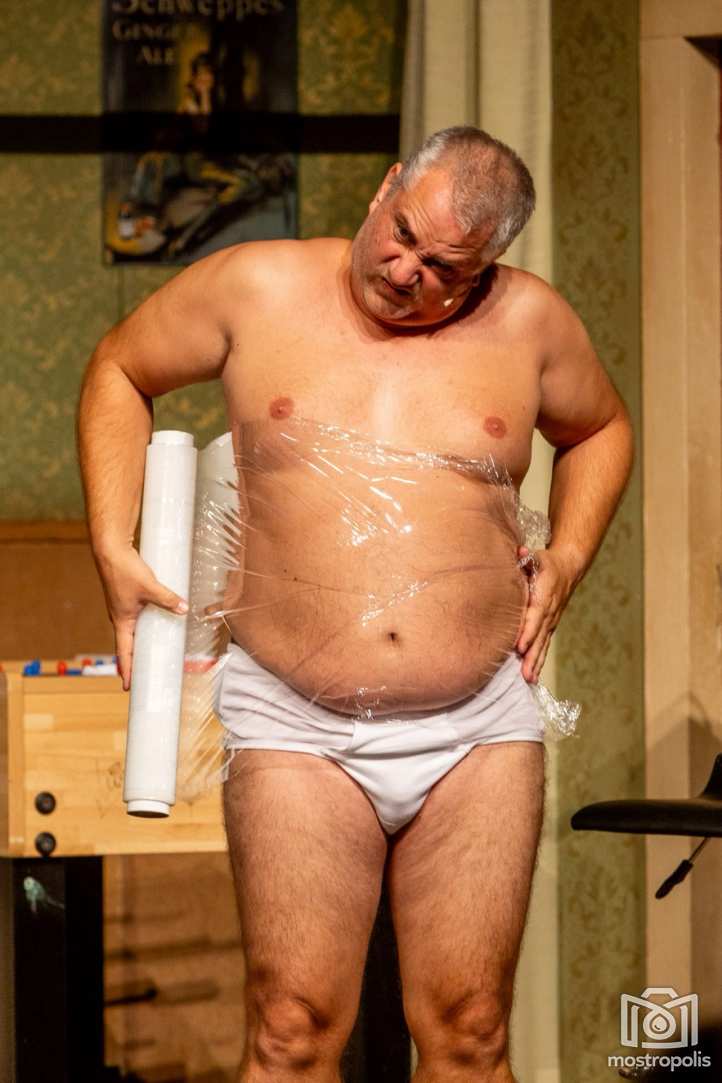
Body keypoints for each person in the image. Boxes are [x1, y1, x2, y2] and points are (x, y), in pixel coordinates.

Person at [78, 126, 633, 1082]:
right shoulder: (256, 285)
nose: (407, 271)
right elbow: (119, 369)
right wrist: (111, 543)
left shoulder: (531, 323)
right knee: (292, 1029)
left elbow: (602, 427)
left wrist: (571, 553)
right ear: (386, 189)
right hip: (296, 719)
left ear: (487, 268)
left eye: (445, 269)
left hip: (475, 725)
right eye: (405, 233)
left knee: (470, 1029)